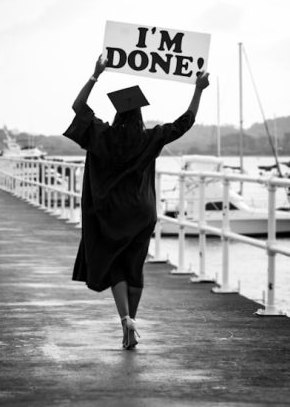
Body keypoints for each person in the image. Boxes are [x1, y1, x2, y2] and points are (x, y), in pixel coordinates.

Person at [63, 55, 209, 349]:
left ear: (118, 114)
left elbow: (78, 108)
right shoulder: (149, 138)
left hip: (111, 213)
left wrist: (95, 75)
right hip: (142, 212)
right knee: (135, 265)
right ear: (140, 115)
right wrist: (198, 89)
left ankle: (125, 320)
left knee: (116, 265)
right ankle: (133, 320)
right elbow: (186, 122)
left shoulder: (103, 134)